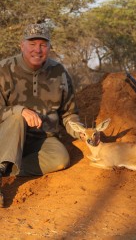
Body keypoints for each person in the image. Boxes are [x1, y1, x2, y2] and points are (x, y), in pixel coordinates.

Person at [0, 22, 84, 207]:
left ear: (49, 47)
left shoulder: (59, 72)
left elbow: (69, 114)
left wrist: (81, 131)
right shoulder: (4, 69)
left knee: (60, 159)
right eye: (32, 44)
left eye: (43, 44)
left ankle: (8, 167)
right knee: (16, 118)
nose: (37, 50)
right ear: (22, 45)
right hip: (7, 137)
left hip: (43, 138)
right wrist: (19, 110)